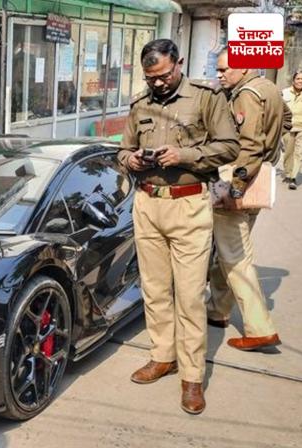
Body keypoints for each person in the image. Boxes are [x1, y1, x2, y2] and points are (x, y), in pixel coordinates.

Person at [118, 39, 240, 415]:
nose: (157, 83)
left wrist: (184, 155)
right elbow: (122, 150)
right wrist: (131, 160)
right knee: (154, 291)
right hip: (147, 204)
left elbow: (230, 146)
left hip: (188, 204)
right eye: (150, 78)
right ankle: (162, 357)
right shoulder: (140, 104)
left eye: (163, 75)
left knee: (189, 296)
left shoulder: (206, 97)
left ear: (179, 63)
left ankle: (191, 377)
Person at [208, 49, 287, 351]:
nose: (219, 75)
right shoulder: (269, 88)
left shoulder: (246, 94)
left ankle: (259, 328)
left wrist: (235, 188)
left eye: (224, 69)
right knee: (227, 250)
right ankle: (218, 309)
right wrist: (271, 153)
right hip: (257, 179)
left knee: (235, 256)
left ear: (243, 67)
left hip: (238, 179)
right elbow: (285, 121)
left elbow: (250, 146)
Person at [282, 70, 302, 190]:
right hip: (288, 127)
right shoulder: (284, 93)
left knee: (299, 152)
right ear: (293, 80)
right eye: (298, 79)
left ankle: (293, 177)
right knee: (288, 152)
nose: (300, 81)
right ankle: (288, 173)